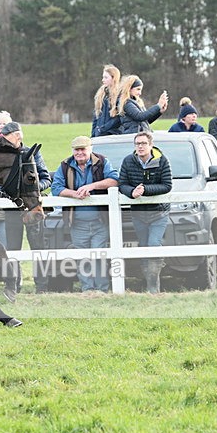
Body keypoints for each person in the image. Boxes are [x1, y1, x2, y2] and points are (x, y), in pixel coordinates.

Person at [51, 136, 119, 293]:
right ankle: (87, 289)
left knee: (99, 256)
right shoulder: (65, 165)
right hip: (77, 223)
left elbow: (114, 180)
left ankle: (102, 290)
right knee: (82, 257)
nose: (79, 153)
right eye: (76, 150)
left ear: (90, 149)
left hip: (100, 221)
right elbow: (56, 188)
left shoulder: (102, 162)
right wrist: (74, 194)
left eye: (83, 149)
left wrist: (91, 186)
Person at [0, 121, 53, 293]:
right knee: (13, 248)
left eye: (6, 138)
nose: (3, 141)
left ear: (16, 136)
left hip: (32, 206)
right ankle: (15, 284)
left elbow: (46, 178)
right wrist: (8, 192)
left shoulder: (32, 153)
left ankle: (42, 286)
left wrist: (32, 189)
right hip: (12, 208)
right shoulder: (0, 156)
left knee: (38, 246)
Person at [118, 132, 173, 294]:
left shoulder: (162, 160)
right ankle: (149, 284)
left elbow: (167, 185)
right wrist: (132, 192)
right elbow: (122, 184)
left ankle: (153, 289)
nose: (140, 147)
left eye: (143, 143)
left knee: (153, 245)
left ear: (151, 145)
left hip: (159, 212)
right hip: (138, 213)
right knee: (143, 247)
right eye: (137, 144)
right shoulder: (128, 161)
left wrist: (145, 190)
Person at [91, 64, 122, 137]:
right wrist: (93, 134)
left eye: (106, 77)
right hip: (99, 135)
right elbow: (96, 116)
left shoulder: (120, 95)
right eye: (103, 77)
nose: (103, 80)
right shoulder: (100, 95)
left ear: (113, 78)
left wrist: (102, 129)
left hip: (113, 135)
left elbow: (118, 118)